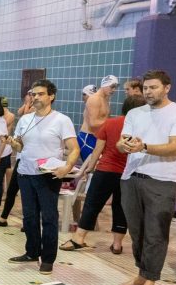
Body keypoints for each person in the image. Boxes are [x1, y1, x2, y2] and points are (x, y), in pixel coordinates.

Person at [116, 69, 176, 285]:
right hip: (131, 177)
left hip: (162, 180)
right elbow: (121, 143)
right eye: (145, 88)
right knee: (136, 230)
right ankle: (142, 274)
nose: (148, 92)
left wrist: (143, 148)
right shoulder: (134, 113)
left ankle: (150, 283)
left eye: (153, 87)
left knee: (156, 233)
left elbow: (175, 147)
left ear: (167, 88)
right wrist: (124, 146)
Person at [6, 79, 80, 275]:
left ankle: (48, 259)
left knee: (48, 217)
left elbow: (74, 149)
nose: (35, 97)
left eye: (40, 94)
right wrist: (13, 144)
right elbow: (20, 146)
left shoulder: (61, 120)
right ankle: (32, 251)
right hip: (25, 173)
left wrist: (67, 167)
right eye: (33, 94)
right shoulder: (25, 120)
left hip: (47, 175)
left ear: (51, 96)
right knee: (29, 217)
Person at [60, 95, 147, 255]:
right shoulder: (144, 127)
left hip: (106, 171)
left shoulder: (110, 123)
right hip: (128, 175)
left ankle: (78, 239)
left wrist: (89, 168)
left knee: (92, 204)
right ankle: (117, 244)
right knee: (121, 208)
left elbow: (98, 150)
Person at [78, 75, 118, 161]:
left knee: (96, 169)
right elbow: (93, 123)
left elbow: (106, 121)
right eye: (112, 87)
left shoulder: (105, 100)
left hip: (97, 138)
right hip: (88, 138)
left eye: (115, 87)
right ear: (104, 84)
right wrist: (114, 123)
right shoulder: (94, 99)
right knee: (91, 169)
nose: (114, 90)